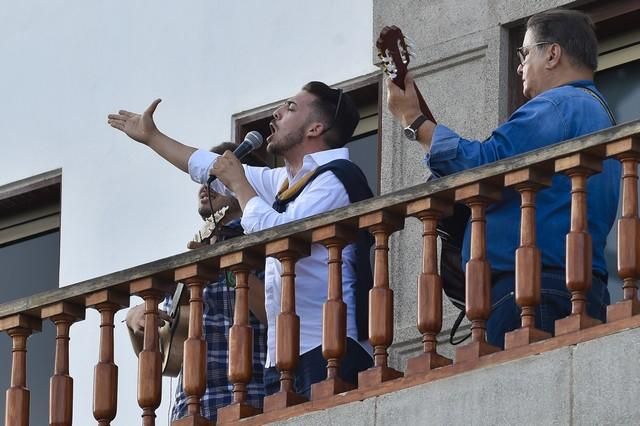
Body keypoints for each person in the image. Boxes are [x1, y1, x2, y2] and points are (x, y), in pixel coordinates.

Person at [110, 81, 374, 398]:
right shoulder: (285, 181)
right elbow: (207, 166)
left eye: (290, 108)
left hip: (331, 349)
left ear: (316, 127)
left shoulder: (335, 178)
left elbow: (279, 237)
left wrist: (239, 183)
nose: (276, 113)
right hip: (286, 357)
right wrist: (153, 137)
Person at [386, 9, 620, 348]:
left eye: (524, 53)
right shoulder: (599, 112)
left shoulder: (557, 105)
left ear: (552, 54)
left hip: (532, 287)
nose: (519, 66)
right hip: (578, 286)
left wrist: (414, 120)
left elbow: (483, 165)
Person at [125, 143, 267, 422]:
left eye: (215, 178)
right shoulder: (196, 249)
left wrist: (225, 262)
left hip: (246, 401)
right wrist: (136, 320)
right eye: (203, 178)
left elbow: (273, 311)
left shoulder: (260, 237)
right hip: (191, 409)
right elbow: (168, 355)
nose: (205, 186)